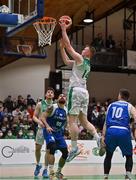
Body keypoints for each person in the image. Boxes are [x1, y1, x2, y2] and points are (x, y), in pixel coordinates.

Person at [59, 19, 101, 162]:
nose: (82, 49)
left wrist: (64, 29)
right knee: (84, 121)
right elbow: (66, 61)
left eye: (85, 49)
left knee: (72, 121)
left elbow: (70, 47)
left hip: (75, 91)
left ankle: (75, 147)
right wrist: (61, 48)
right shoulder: (83, 63)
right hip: (84, 92)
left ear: (89, 53)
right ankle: (97, 137)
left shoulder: (81, 59)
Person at [102, 89, 136, 180]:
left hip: (111, 131)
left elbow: (105, 122)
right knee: (129, 155)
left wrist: (103, 136)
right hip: (123, 131)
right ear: (128, 98)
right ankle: (128, 175)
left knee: (108, 155)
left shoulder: (111, 105)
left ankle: (106, 176)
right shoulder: (130, 106)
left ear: (120, 96)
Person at [41, 93, 68, 179]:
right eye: (60, 96)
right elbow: (42, 117)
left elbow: (64, 123)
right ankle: (51, 172)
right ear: (57, 99)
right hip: (49, 131)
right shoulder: (53, 107)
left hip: (59, 134)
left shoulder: (66, 110)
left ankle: (58, 172)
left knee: (65, 152)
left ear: (66, 100)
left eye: (64, 96)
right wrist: (47, 126)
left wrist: (65, 131)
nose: (62, 97)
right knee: (52, 147)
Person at [33, 87, 54, 178]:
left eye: (51, 92)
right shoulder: (40, 104)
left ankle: (45, 169)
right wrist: (39, 122)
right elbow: (34, 116)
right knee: (38, 148)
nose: (49, 93)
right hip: (41, 129)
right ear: (45, 94)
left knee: (48, 150)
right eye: (48, 92)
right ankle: (38, 164)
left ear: (53, 95)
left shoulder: (55, 105)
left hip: (50, 130)